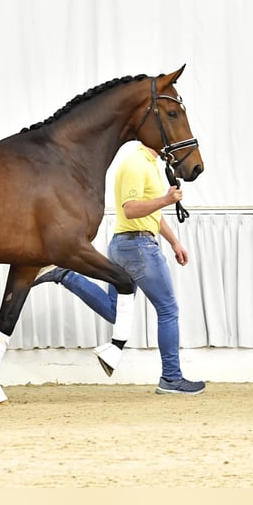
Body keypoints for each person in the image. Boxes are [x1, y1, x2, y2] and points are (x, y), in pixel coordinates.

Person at [34, 142, 205, 395]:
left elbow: (152, 214)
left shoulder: (150, 164)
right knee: (168, 310)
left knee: (115, 311)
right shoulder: (135, 163)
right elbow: (131, 209)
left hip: (125, 245)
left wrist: (174, 241)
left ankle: (64, 274)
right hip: (139, 247)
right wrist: (166, 199)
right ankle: (171, 378)